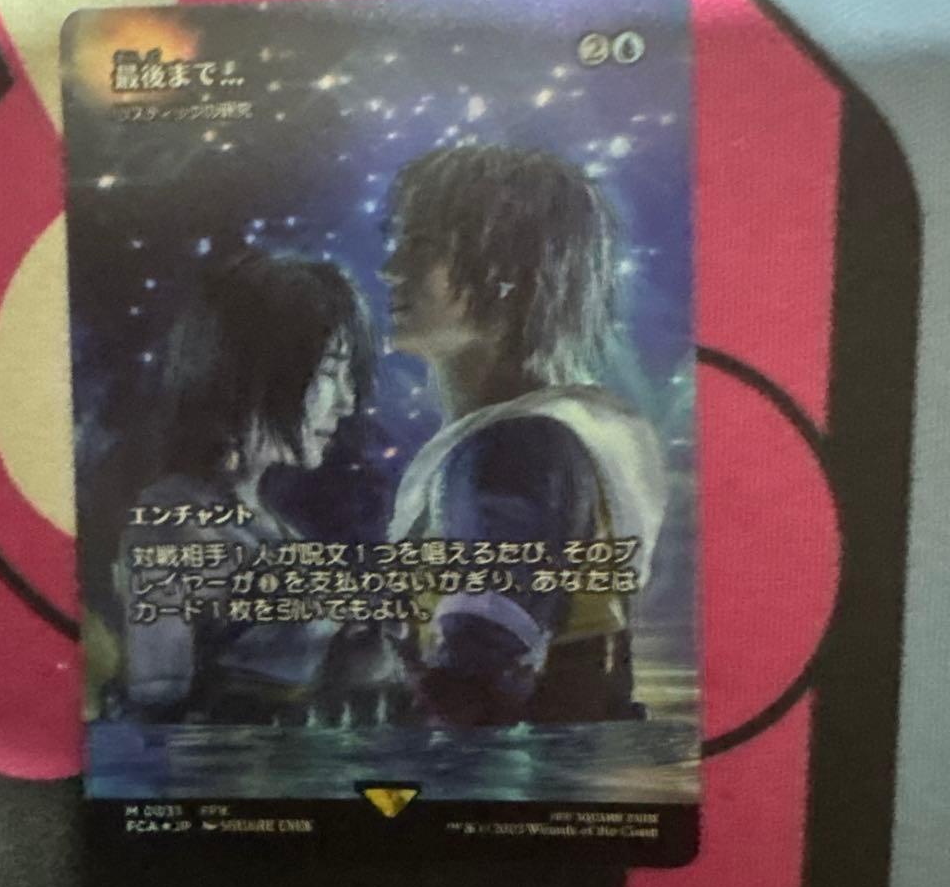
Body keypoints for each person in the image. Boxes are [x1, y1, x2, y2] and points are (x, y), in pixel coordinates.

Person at [379, 144, 667, 725]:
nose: (391, 269)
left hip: (503, 768)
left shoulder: (514, 446)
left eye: (422, 246)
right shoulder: (571, 426)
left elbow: (479, 672)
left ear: (508, 270)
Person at [115, 250, 373, 724]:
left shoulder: (266, 521)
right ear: (258, 369)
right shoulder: (174, 521)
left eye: (347, 376)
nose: (347, 402)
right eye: (329, 372)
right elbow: (158, 703)